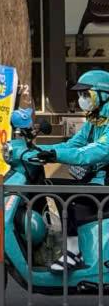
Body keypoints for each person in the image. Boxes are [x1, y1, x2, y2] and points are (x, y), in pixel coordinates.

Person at [37, 69, 109, 273]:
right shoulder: (95, 120)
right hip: (96, 180)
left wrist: (55, 155)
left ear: (102, 94)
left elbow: (94, 152)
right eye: (80, 94)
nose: (81, 99)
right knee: (47, 184)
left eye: (86, 94)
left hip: (105, 183)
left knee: (68, 196)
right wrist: (37, 150)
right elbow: (73, 144)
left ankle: (73, 252)